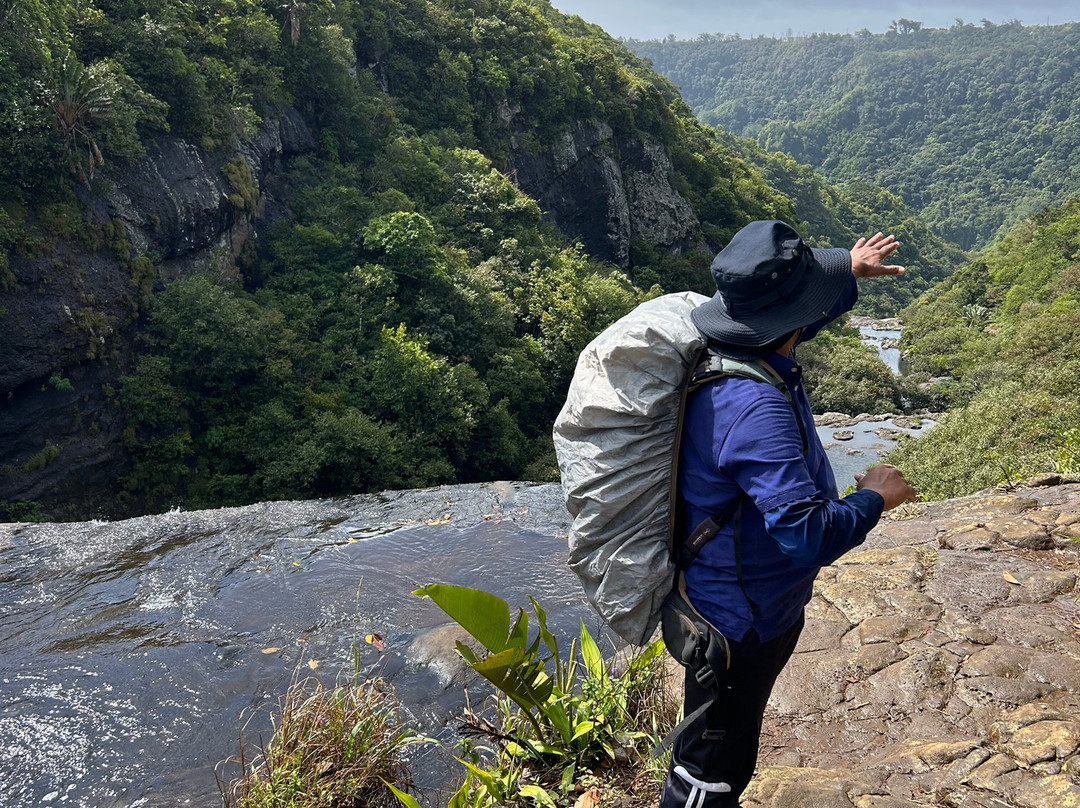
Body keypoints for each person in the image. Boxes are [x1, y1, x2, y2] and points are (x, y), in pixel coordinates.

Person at [660, 220, 916, 808]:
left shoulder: (741, 348)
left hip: (754, 607)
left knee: (731, 754)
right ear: (791, 318)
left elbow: (799, 319)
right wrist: (876, 495)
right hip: (737, 624)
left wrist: (845, 274)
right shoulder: (755, 409)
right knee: (708, 775)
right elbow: (805, 537)